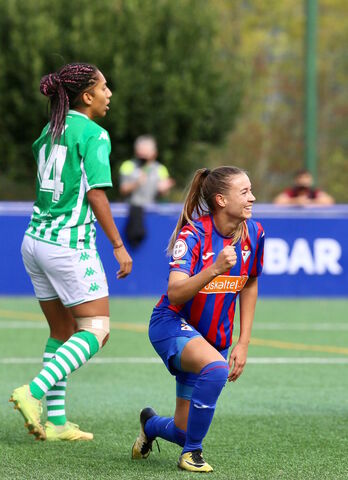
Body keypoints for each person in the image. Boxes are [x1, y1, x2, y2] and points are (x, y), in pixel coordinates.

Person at [9, 63, 132, 441]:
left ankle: (58, 423)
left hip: (34, 240)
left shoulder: (50, 130)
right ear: (87, 96)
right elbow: (96, 193)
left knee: (61, 330)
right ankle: (32, 391)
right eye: (104, 87)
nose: (109, 93)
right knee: (97, 329)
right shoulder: (94, 134)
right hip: (67, 244)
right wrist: (117, 244)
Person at [131, 166, 264, 472]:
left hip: (212, 338)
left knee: (181, 429)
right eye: (244, 192)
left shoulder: (255, 233)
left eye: (251, 190)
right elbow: (176, 294)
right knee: (216, 370)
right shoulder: (193, 235)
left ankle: (150, 426)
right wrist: (214, 269)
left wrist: (243, 342)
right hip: (170, 325)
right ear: (220, 199)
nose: (252, 198)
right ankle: (192, 454)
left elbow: (251, 283)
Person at [119, 135, 175, 248]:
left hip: (152, 212)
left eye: (146, 152)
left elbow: (164, 193)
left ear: (154, 153)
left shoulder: (160, 169)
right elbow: (123, 189)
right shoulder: (128, 166)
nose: (143, 156)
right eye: (141, 152)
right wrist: (137, 183)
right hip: (131, 211)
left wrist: (164, 189)